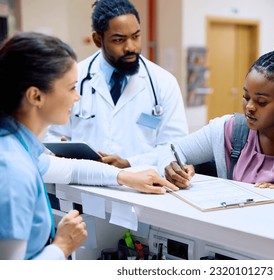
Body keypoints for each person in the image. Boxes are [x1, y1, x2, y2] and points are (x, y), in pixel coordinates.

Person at [0, 32, 178, 260]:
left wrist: (124, 176)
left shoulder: (20, 147)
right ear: (36, 96)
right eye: (72, 87)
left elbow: (72, 170)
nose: (77, 97)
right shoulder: (13, 170)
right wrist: (62, 246)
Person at [44, 0, 188, 168]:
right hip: (83, 186)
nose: (130, 47)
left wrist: (130, 163)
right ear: (98, 40)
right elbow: (53, 135)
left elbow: (174, 146)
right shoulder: (73, 77)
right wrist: (61, 151)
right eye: (119, 40)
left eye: (136, 36)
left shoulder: (163, 82)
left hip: (142, 187)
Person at [160, 43, 274, 189]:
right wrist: (172, 166)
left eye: (261, 102)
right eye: (246, 97)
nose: (250, 107)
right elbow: (174, 149)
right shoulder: (230, 130)